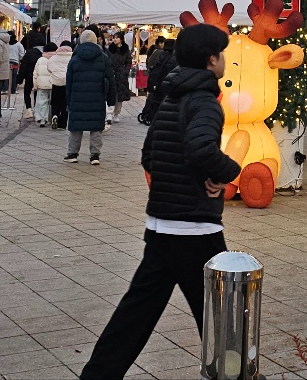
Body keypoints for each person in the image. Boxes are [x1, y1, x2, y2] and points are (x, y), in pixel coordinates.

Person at [79, 23, 239, 380]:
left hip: (162, 224)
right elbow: (201, 150)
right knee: (221, 315)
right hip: (194, 228)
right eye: (223, 54)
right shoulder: (204, 102)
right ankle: (235, 374)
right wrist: (229, 171)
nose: (225, 60)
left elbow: (150, 155)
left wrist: (182, 180)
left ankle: (97, 375)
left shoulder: (174, 96)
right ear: (212, 60)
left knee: (136, 313)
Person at [65, 30, 113, 164]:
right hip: (97, 97)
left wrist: (68, 100)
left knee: (76, 126)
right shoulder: (103, 58)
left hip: (77, 97)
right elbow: (111, 80)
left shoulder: (74, 58)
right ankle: (95, 156)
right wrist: (111, 99)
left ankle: (72, 153)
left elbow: (68, 82)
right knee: (96, 127)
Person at [107, 32, 133, 123]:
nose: (115, 39)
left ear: (121, 39)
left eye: (117, 38)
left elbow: (129, 62)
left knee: (120, 95)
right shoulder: (110, 49)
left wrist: (125, 71)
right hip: (111, 73)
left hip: (121, 74)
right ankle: (109, 113)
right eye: (114, 38)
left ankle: (116, 113)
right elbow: (106, 60)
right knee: (110, 93)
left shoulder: (125, 49)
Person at [47, 40, 73, 129]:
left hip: (56, 82)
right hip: (67, 83)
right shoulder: (72, 57)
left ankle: (55, 115)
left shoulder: (54, 57)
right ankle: (62, 123)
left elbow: (49, 68)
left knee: (55, 101)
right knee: (65, 103)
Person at [31, 42, 58, 126]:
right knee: (52, 102)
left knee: (42, 102)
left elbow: (35, 73)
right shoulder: (56, 59)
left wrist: (35, 85)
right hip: (54, 84)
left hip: (42, 85)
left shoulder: (40, 59)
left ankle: (43, 118)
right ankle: (51, 118)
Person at [5, 32, 26, 111]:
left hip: (6, 61)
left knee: (6, 76)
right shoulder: (18, 44)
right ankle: (13, 89)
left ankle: (5, 88)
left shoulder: (6, 44)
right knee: (14, 76)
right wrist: (20, 59)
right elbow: (22, 53)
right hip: (15, 61)